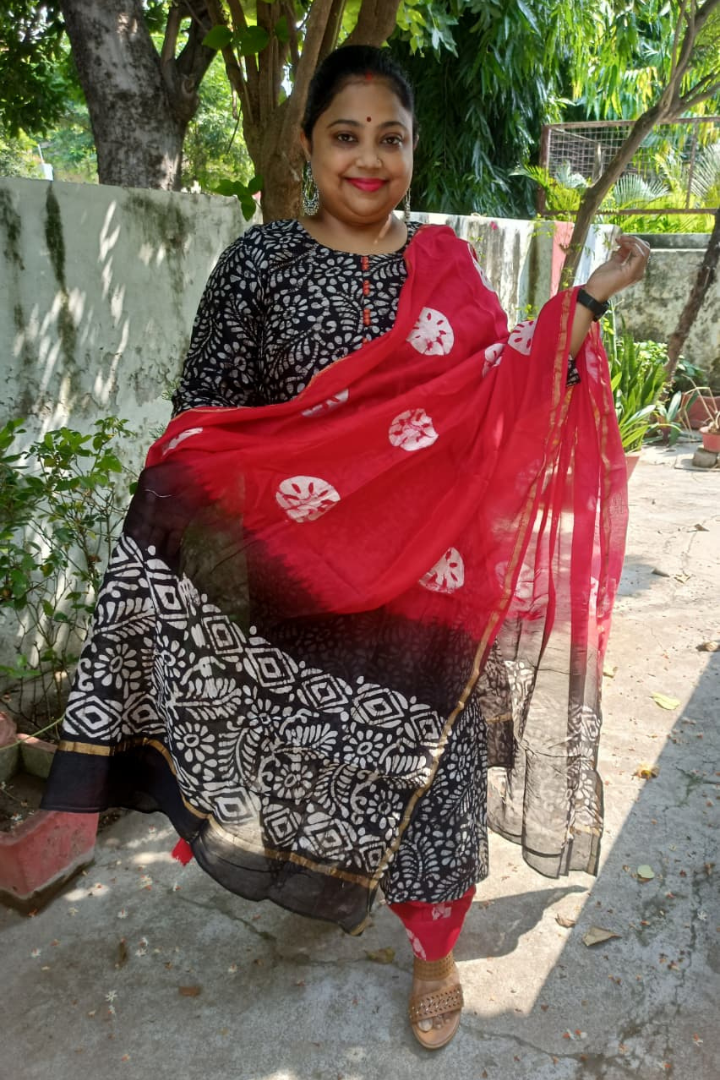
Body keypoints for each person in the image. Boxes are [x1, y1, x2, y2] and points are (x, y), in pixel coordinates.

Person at [43, 45, 649, 1050]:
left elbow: (505, 389)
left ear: (413, 150)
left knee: (434, 768)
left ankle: (436, 951)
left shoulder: (445, 268)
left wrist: (585, 304)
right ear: (307, 144)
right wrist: (192, 496)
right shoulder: (261, 264)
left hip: (433, 577)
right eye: (346, 135)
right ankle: (335, 883)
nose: (369, 158)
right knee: (326, 758)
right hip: (306, 579)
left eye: (390, 138)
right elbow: (208, 414)